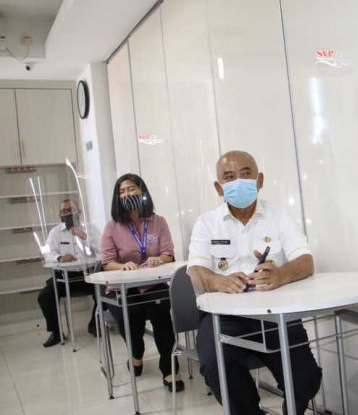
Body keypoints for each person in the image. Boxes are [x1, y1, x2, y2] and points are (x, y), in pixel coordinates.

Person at [188, 150, 322, 415]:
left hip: (274, 315)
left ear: (259, 180)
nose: (238, 181)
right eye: (229, 177)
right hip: (224, 317)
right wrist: (218, 281)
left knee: (306, 377)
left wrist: (281, 274)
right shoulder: (206, 224)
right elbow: (196, 271)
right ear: (218, 187)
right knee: (216, 366)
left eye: (246, 173)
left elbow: (306, 261)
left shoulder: (279, 217)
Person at [100, 173, 183, 392]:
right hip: (122, 287)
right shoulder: (112, 227)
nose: (127, 194)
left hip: (152, 283)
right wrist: (122, 266)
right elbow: (107, 262)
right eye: (121, 192)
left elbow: (168, 253)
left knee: (161, 313)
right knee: (132, 313)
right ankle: (136, 353)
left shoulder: (158, 222)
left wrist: (159, 259)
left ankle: (169, 367)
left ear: (142, 192)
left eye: (131, 189)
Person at [38, 198, 100, 347]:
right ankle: (56, 333)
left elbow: (102, 249)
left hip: (88, 274)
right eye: (63, 211)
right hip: (64, 277)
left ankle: (95, 324)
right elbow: (48, 253)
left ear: (79, 212)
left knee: (105, 291)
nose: (67, 213)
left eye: (71, 210)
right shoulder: (55, 232)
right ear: (60, 215)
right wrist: (60, 257)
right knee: (45, 296)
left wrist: (85, 236)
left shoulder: (90, 228)